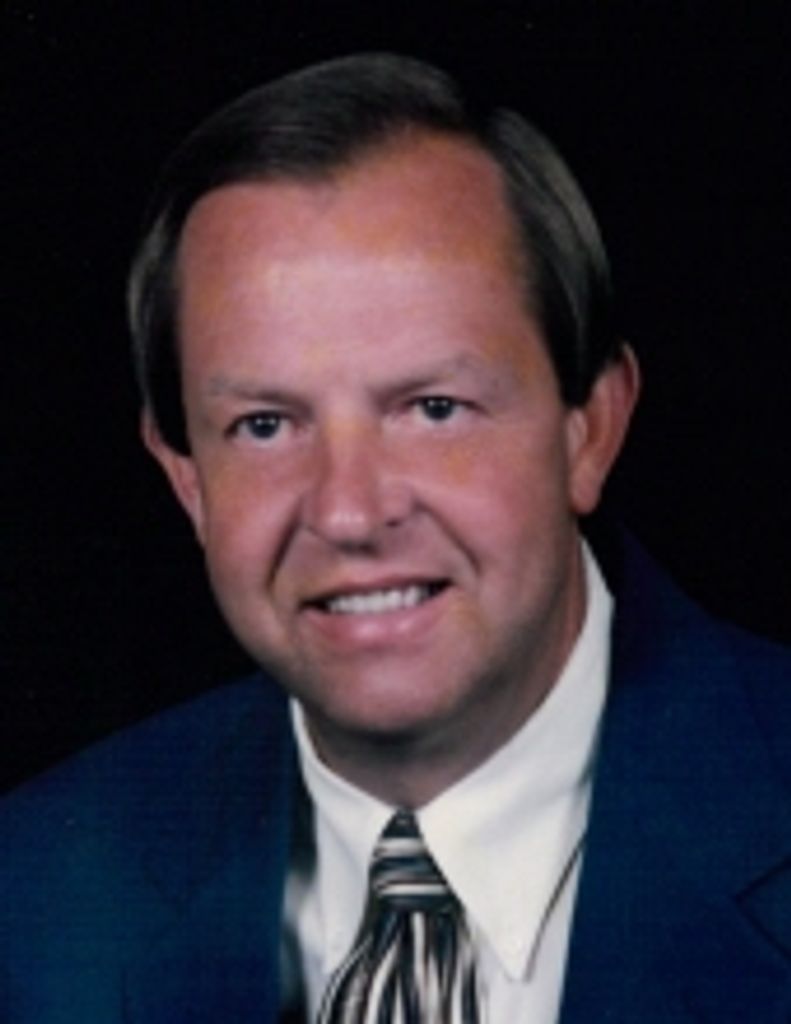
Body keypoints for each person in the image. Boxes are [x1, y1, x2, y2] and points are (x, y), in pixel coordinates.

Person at [2, 53, 790, 1024]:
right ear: (186, 478)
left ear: (588, 428)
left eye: (432, 408)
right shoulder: (35, 899)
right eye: (264, 425)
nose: (347, 512)